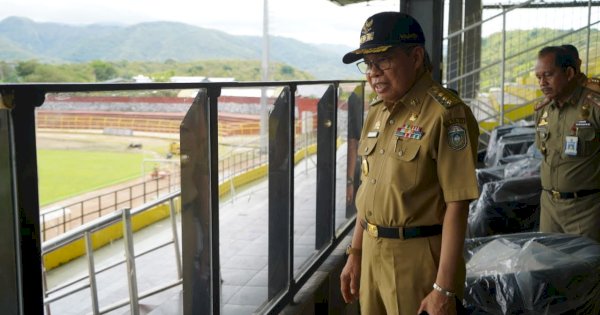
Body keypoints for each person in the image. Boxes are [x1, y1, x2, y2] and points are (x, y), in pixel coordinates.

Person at [339, 12, 480, 315]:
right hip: (373, 255)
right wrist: (356, 252)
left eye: (384, 61)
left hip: (417, 261)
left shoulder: (446, 114)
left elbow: (458, 203)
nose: (373, 73)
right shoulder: (377, 111)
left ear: (415, 57)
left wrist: (443, 289)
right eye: (369, 63)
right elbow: (370, 189)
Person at [534, 45, 600, 243]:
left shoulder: (594, 107)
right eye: (538, 77)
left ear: (569, 73)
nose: (542, 83)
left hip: (586, 210)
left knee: (586, 269)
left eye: (548, 75)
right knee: (549, 267)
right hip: (549, 208)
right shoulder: (542, 111)